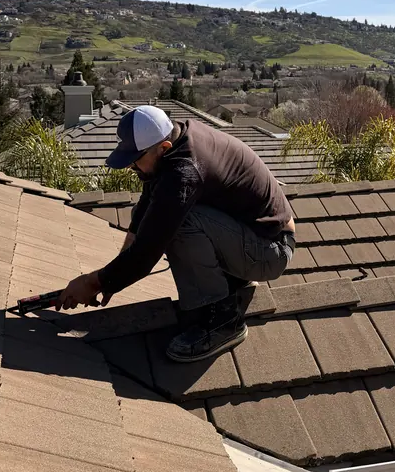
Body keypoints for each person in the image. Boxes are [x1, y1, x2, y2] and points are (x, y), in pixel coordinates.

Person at [57, 105, 296, 362]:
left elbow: (147, 251)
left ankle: (224, 323)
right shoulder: (177, 141)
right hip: (252, 235)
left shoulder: (184, 171)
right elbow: (144, 215)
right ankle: (230, 280)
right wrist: (112, 277)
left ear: (164, 148)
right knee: (164, 211)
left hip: (271, 250)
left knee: (180, 222)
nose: (131, 167)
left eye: (136, 158)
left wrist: (94, 282)